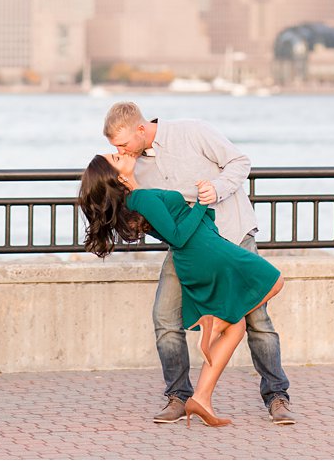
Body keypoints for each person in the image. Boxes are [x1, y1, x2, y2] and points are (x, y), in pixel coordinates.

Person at [104, 101, 295, 425]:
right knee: (165, 318)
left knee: (257, 320)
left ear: (140, 129)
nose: (120, 150)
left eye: (122, 144)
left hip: (233, 234)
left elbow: (239, 161)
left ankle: (277, 396)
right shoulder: (133, 169)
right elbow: (157, 220)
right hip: (188, 250)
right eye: (114, 147)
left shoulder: (192, 131)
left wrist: (217, 189)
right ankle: (179, 397)